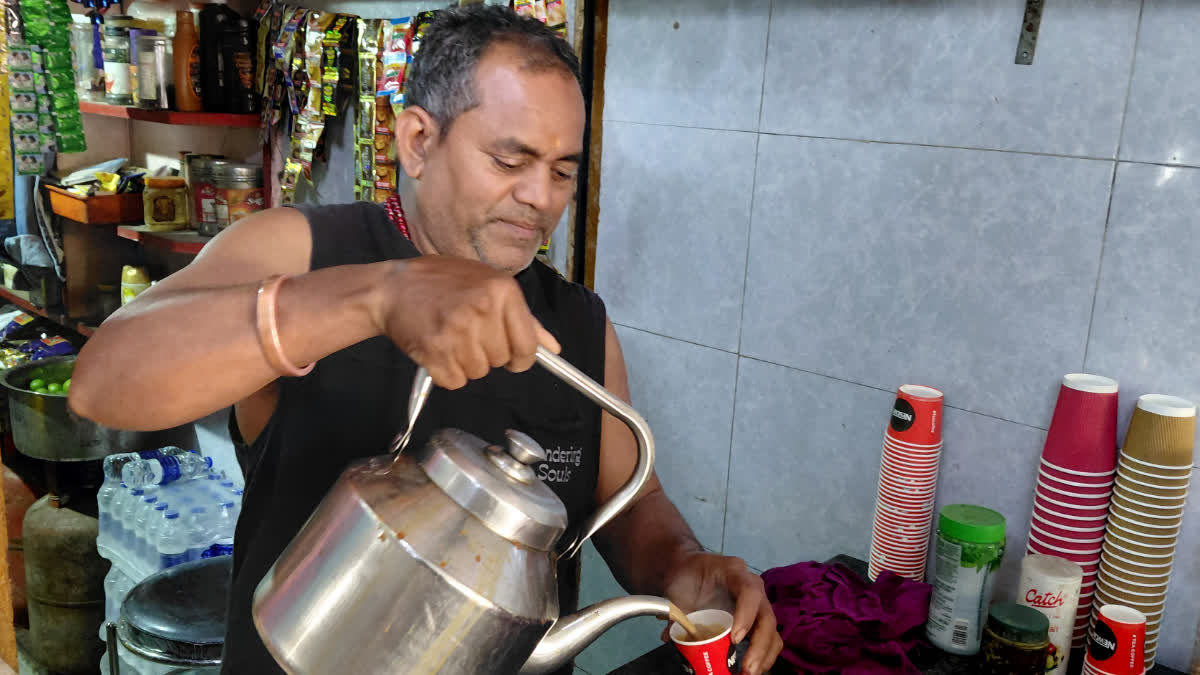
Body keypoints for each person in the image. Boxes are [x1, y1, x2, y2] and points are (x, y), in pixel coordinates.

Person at [69, 6, 782, 674]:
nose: (541, 196)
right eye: (510, 161)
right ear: (418, 141)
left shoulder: (577, 326)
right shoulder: (308, 250)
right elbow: (104, 380)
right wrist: (379, 296)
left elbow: (635, 502)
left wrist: (685, 564)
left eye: (563, 171)